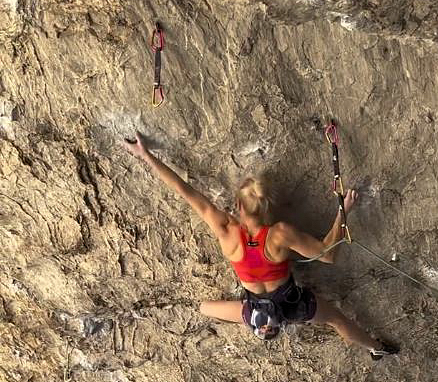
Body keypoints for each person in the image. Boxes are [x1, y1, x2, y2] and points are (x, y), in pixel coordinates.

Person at [123, 133, 397, 359]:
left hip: (256, 310)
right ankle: (376, 348)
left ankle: (261, 323)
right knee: (337, 320)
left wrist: (147, 157)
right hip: (293, 305)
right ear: (267, 205)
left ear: (239, 206)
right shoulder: (280, 234)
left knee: (204, 308)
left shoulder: (226, 231)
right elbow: (329, 255)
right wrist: (343, 212)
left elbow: (185, 191)